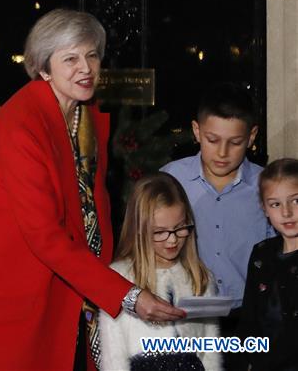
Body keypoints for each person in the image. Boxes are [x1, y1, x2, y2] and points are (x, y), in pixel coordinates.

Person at [0, 9, 185, 371]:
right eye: (71, 58)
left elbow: (94, 204)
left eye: (92, 55)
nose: (86, 68)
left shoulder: (88, 113)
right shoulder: (20, 129)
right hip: (15, 284)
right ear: (43, 68)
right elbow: (45, 235)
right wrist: (126, 295)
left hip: (71, 278)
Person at [160, 83, 274, 343]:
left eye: (235, 143)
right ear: (196, 131)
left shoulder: (265, 186)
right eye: (213, 140)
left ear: (252, 136)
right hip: (185, 318)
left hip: (250, 318)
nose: (222, 153)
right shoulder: (170, 179)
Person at [99, 173, 222, 371]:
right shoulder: (119, 279)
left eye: (180, 228)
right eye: (159, 232)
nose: (172, 240)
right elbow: (113, 357)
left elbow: (210, 353)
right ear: (139, 230)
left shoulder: (201, 277)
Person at [236, 158, 298, 371]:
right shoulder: (262, 252)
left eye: (296, 201)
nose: (287, 212)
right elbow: (249, 317)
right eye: (275, 204)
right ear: (264, 208)